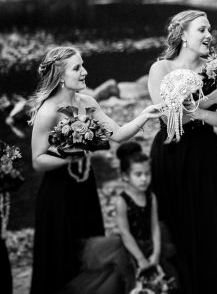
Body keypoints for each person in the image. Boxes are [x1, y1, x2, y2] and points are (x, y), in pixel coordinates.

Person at [28, 46, 163, 294]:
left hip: (85, 188)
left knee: (92, 257)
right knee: (63, 259)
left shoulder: (88, 102)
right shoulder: (47, 112)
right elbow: (37, 161)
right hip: (58, 195)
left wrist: (144, 116)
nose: (84, 72)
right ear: (59, 75)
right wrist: (69, 155)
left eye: (83, 65)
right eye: (77, 68)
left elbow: (119, 135)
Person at [148, 9, 217, 294]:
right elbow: (170, 117)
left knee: (208, 225)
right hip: (171, 154)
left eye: (210, 29)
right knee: (175, 223)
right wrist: (206, 103)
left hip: (205, 153)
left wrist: (198, 112)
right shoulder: (161, 69)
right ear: (183, 34)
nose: (209, 35)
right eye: (202, 29)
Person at [115, 142, 178, 290]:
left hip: (152, 246)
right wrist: (140, 259)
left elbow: (155, 226)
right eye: (138, 174)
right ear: (125, 176)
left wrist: (156, 253)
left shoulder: (151, 197)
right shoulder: (122, 201)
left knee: (160, 283)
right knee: (134, 285)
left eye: (147, 173)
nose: (144, 179)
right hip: (131, 251)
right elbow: (125, 233)